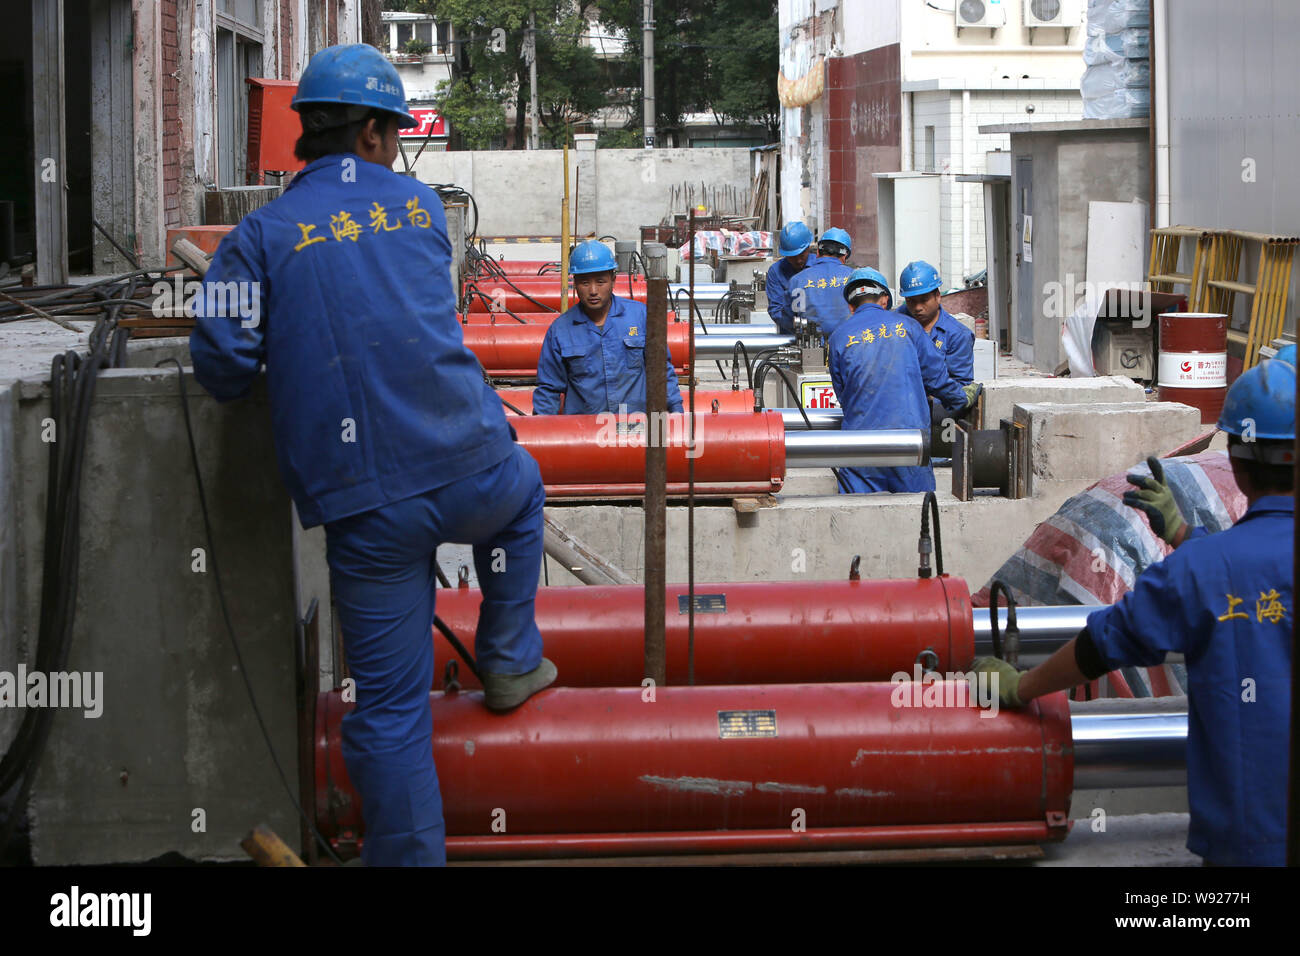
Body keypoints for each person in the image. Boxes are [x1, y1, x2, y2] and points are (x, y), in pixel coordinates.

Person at [188, 44, 555, 867]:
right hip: (475, 467)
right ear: (376, 135)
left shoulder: (258, 236)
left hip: (366, 508)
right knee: (526, 491)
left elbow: (218, 362)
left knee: (389, 712)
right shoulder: (425, 212)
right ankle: (507, 659)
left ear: (306, 136)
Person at [974, 348, 1296, 866]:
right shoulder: (1205, 565)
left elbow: (1106, 642)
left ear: (1234, 458)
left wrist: (1020, 686)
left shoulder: (1202, 571)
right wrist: (1188, 536)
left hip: (1250, 842)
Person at [828, 267, 981, 493]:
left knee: (859, 521)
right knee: (918, 516)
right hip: (909, 443)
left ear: (851, 306)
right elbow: (937, 378)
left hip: (859, 446)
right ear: (884, 300)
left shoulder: (838, 337)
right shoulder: (908, 327)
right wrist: (961, 399)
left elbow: (844, 395)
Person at [533, 240, 684, 416]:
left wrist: (675, 410)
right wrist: (541, 431)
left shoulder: (640, 317)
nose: (593, 291)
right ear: (575, 283)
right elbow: (549, 389)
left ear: (613, 280)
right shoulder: (560, 331)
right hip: (585, 435)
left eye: (600, 281)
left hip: (636, 429)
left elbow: (661, 371)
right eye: (584, 283)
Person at [896, 261, 975, 385]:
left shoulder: (957, 335)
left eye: (924, 300)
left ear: (938, 296)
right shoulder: (893, 323)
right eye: (911, 301)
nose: (917, 307)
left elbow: (960, 384)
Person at [791, 227, 854, 339]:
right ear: (845, 256)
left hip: (809, 347)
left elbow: (788, 317)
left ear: (818, 252)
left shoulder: (797, 280)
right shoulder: (855, 278)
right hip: (848, 344)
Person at [765, 221, 821, 334]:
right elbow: (775, 309)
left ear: (808, 248)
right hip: (790, 336)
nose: (798, 260)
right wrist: (798, 327)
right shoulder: (776, 272)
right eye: (792, 257)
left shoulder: (820, 266)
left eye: (801, 255)